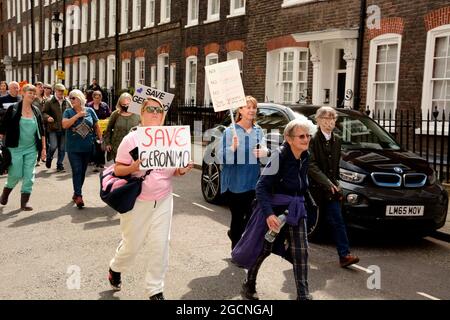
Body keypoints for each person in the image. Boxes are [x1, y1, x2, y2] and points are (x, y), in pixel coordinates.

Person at [108, 96, 194, 300]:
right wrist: (134, 167)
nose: (155, 113)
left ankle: (154, 289)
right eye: (151, 109)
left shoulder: (171, 138)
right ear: (142, 113)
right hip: (137, 201)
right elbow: (118, 170)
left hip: (164, 199)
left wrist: (183, 169)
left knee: (160, 244)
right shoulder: (132, 139)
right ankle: (115, 268)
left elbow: (174, 171)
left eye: (160, 110)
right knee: (132, 245)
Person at [234, 116, 316, 301]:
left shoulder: (305, 155)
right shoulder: (279, 156)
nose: (306, 139)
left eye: (308, 135)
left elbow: (301, 184)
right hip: (276, 211)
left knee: (301, 252)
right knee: (263, 250)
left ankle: (303, 295)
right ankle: (249, 284)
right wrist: (269, 214)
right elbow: (261, 186)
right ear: (289, 138)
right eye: (301, 136)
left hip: (296, 209)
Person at [308, 106, 359, 268]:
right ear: (318, 121)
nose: (329, 122)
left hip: (331, 189)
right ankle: (292, 247)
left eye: (332, 119)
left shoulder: (337, 140)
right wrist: (328, 183)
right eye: (325, 119)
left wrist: (337, 183)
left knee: (337, 220)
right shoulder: (312, 139)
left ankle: (344, 255)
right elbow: (311, 165)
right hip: (314, 188)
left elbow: (335, 167)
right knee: (307, 220)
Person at [218, 96, 267, 250]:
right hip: (235, 182)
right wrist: (232, 148)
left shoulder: (258, 130)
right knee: (238, 217)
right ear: (240, 110)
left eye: (254, 107)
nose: (252, 110)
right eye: (248, 107)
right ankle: (236, 250)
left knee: (251, 218)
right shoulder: (230, 131)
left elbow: (264, 150)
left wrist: (265, 152)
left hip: (253, 180)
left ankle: (234, 234)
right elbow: (220, 157)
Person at [0, 84, 46, 210]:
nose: (32, 95)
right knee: (15, 174)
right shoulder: (13, 109)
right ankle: (5, 193)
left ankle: (24, 203)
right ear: (23, 94)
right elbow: (3, 128)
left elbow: (42, 131)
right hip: (15, 148)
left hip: (31, 148)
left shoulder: (36, 110)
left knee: (29, 175)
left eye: (33, 93)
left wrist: (43, 149)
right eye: (29, 92)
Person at [62, 89, 102, 208]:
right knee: (77, 170)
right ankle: (79, 196)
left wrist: (101, 139)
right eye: (70, 98)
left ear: (80, 98)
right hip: (73, 148)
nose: (72, 100)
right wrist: (77, 116)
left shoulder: (90, 110)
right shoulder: (68, 112)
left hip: (87, 147)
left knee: (82, 171)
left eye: (74, 97)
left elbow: (96, 125)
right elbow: (64, 125)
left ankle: (76, 193)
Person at [104, 92, 140, 162]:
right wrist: (108, 143)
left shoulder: (138, 114)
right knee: (119, 166)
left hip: (134, 146)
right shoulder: (115, 114)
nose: (126, 106)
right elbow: (108, 129)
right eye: (123, 104)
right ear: (120, 104)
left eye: (128, 104)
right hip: (117, 145)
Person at [43, 83, 71, 172]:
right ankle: (49, 157)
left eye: (62, 91)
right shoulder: (49, 101)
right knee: (53, 146)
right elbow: (43, 113)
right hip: (53, 128)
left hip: (64, 128)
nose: (61, 93)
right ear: (55, 91)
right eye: (59, 91)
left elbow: (71, 112)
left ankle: (59, 164)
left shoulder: (67, 102)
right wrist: (48, 117)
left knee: (62, 148)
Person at [87, 90, 110, 172]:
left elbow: (108, 116)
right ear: (93, 98)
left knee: (101, 146)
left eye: (99, 98)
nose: (97, 99)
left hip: (102, 129)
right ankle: (95, 162)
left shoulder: (104, 105)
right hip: (92, 129)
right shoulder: (89, 106)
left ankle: (101, 163)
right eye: (96, 98)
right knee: (95, 147)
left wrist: (106, 122)